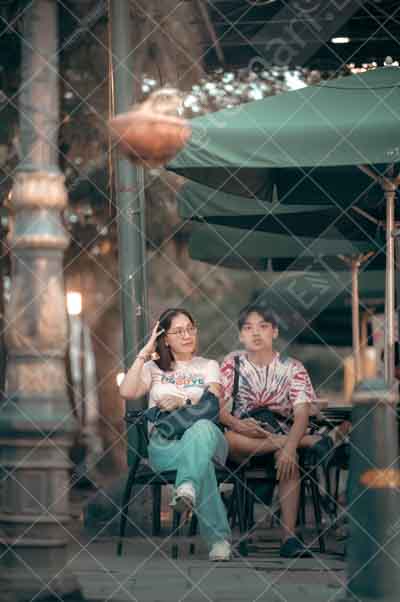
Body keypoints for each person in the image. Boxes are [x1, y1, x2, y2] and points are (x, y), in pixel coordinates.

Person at [219, 303, 347, 558]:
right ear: (241, 335)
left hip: (280, 431)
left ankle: (289, 539)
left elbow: (301, 413)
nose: (256, 333)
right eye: (248, 328)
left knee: (290, 458)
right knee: (228, 439)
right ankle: (306, 441)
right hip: (243, 437)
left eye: (263, 326)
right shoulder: (232, 364)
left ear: (275, 331)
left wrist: (288, 447)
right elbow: (219, 408)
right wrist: (237, 424)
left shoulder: (292, 367)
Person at [119, 308, 232, 561]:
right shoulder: (153, 368)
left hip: (208, 439)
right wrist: (144, 353)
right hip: (166, 445)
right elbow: (126, 392)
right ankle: (218, 540)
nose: (187, 335)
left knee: (200, 429)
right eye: (178, 331)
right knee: (201, 465)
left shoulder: (208, 366)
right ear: (165, 338)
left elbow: (213, 403)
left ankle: (187, 485)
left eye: (190, 329)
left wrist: (182, 402)